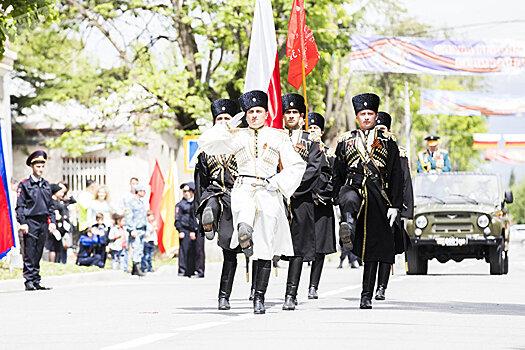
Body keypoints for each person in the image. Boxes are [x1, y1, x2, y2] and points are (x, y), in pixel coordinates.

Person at [198, 90, 306, 314]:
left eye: (258, 111)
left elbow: (296, 165)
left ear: (266, 113)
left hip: (268, 189)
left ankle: (259, 297)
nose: (254, 115)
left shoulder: (278, 137)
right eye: (250, 112)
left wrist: (277, 182)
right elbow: (206, 144)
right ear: (245, 115)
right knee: (243, 211)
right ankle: (244, 232)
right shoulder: (236, 136)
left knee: (265, 246)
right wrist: (226, 126)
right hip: (243, 187)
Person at [333, 93, 403, 309]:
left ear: (375, 116)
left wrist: (395, 205)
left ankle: (366, 295)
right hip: (352, 187)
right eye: (362, 114)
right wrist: (336, 199)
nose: (365, 117)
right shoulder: (346, 140)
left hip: (377, 196)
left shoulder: (388, 143)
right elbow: (338, 172)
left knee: (373, 250)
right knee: (349, 199)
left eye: (369, 114)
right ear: (356, 117)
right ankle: (349, 227)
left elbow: (396, 176)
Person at [194, 98, 241, 310]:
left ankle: (253, 291)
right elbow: (200, 182)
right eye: (219, 118)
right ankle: (223, 297)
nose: (222, 121)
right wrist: (199, 207)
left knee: (232, 251)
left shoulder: (242, 144)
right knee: (210, 203)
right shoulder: (206, 149)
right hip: (214, 193)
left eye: (226, 118)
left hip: (238, 197)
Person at [280, 94, 323, 311]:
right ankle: (257, 292)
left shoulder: (311, 140)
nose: (290, 116)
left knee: (297, 249)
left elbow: (314, 169)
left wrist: (292, 188)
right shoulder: (275, 137)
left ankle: (291, 293)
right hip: (276, 196)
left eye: (294, 113)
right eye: (287, 112)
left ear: (301, 116)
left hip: (300, 198)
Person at [374, 111, 414, 300]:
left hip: (392, 205)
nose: (379, 132)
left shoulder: (399, 152)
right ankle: (369, 284)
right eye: (376, 129)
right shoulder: (366, 149)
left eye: (382, 129)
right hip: (372, 203)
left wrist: (404, 209)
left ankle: (382, 286)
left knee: (387, 248)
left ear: (389, 131)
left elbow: (405, 182)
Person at [304, 112, 337, 300]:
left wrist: (321, 193)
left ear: (322, 131)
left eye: (315, 128)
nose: (312, 131)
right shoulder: (298, 151)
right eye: (309, 128)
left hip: (321, 204)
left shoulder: (329, 154)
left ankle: (313, 286)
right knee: (299, 248)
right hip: (303, 202)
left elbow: (334, 179)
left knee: (320, 250)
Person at [16, 150, 57, 291]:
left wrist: (52, 222)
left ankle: (36, 279)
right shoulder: (25, 185)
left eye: (42, 167)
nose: (40, 169)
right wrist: (22, 223)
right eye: (38, 167)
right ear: (32, 167)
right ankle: (29, 280)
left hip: (43, 222)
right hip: (30, 221)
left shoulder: (46, 185)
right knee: (29, 251)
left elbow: (50, 206)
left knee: (39, 251)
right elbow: (20, 205)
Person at [175, 182, 205, 278]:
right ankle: (185, 270)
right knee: (185, 251)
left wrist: (194, 230)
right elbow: (177, 219)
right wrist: (180, 230)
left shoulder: (197, 203)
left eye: (188, 191)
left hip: (197, 230)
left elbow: (196, 218)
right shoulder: (180, 204)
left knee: (198, 251)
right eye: (184, 191)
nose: (186, 193)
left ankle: (199, 271)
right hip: (185, 230)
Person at [126, 184, 149, 276]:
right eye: (142, 191)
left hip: (142, 228)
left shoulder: (141, 202)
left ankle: (136, 267)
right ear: (137, 192)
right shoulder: (131, 202)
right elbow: (129, 216)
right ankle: (136, 267)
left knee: (140, 248)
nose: (143, 193)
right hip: (135, 228)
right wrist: (131, 229)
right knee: (136, 248)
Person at [46, 184, 66, 263]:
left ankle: (56, 262)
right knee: (53, 247)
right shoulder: (53, 202)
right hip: (54, 226)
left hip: (57, 226)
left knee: (56, 246)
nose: (62, 194)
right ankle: (53, 262)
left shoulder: (57, 202)